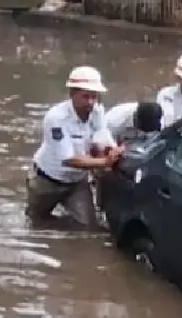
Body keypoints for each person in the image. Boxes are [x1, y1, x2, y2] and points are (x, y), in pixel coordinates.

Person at [27, 66, 121, 227]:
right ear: (72, 94)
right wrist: (104, 163)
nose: (90, 102)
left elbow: (101, 138)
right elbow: (68, 159)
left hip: (77, 182)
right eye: (85, 97)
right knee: (36, 222)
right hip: (47, 180)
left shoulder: (97, 112)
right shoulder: (56, 118)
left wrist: (112, 151)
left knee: (87, 227)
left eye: (94, 96)